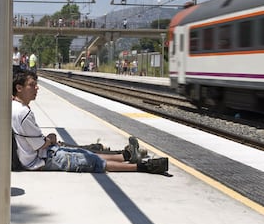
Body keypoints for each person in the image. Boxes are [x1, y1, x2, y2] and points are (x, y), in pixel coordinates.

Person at [12, 69, 168, 174]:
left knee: (84, 153)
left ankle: (126, 156)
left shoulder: (14, 106)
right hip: (39, 160)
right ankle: (142, 167)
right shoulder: (23, 113)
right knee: (92, 161)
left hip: (40, 155)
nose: (37, 88)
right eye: (32, 85)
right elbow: (39, 144)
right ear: (19, 88)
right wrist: (51, 138)